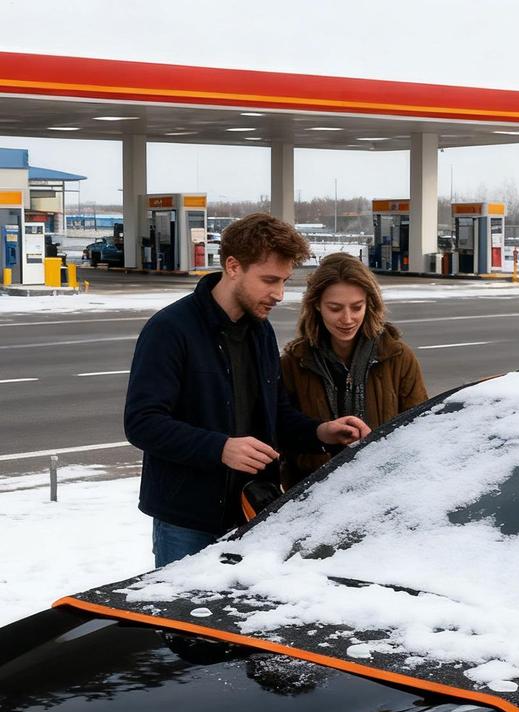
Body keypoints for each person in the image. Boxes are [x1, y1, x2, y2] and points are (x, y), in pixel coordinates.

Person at [124, 213, 370, 567]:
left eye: (284, 281)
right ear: (233, 266)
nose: (279, 294)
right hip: (187, 521)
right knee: (185, 605)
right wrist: (220, 448)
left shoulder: (260, 331)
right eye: (269, 280)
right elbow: (142, 423)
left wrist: (321, 432)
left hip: (253, 512)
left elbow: (276, 414)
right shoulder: (170, 329)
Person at [279, 252, 428, 488]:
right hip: (316, 494)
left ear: (369, 304)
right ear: (316, 305)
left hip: (384, 488)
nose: (347, 319)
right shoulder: (293, 362)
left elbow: (420, 429)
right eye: (335, 308)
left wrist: (377, 444)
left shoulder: (398, 357)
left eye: (357, 307)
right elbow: (283, 436)